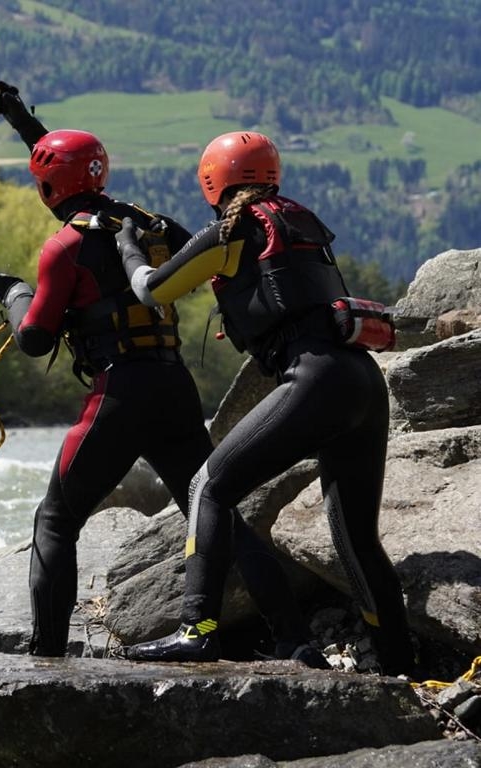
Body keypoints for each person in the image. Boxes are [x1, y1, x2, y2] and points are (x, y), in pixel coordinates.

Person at [0, 82, 325, 666]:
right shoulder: (151, 224)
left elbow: (35, 338)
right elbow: (70, 170)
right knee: (216, 511)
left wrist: (12, 293)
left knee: (57, 521)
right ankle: (295, 640)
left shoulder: (63, 246)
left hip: (118, 394)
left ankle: (47, 659)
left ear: (46, 187)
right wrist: (23, 123)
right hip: (173, 389)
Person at [114, 131, 417, 676]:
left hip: (314, 380)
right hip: (361, 382)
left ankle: (195, 631)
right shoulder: (297, 221)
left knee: (207, 484)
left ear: (213, 180)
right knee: (355, 540)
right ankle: (399, 665)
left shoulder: (233, 231)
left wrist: (128, 247)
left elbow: (153, 289)